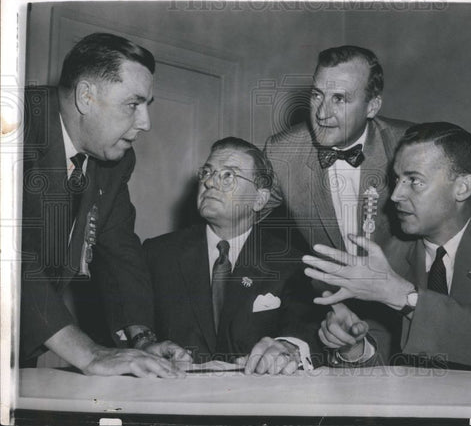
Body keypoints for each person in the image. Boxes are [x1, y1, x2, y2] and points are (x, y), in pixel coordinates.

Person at [21, 32, 191, 377]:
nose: (146, 123)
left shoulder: (114, 161)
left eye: (147, 106)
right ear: (86, 96)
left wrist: (141, 337)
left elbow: (120, 251)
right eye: (133, 104)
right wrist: (89, 354)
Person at [246, 45, 412, 372]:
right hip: (336, 315)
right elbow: (243, 218)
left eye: (340, 99)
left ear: (372, 106)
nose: (321, 113)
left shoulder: (408, 144)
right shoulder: (283, 152)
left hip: (409, 308)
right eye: (317, 95)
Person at [304, 122, 471, 373]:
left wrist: (403, 297)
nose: (395, 195)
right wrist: (355, 347)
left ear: (463, 187)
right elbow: (391, 354)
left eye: (415, 181)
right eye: (397, 179)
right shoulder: (390, 248)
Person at [144, 138, 316, 372]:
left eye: (228, 175)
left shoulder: (289, 262)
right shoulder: (158, 254)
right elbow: (135, 327)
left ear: (259, 199)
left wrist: (288, 347)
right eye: (207, 171)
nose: (211, 182)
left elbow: (303, 328)